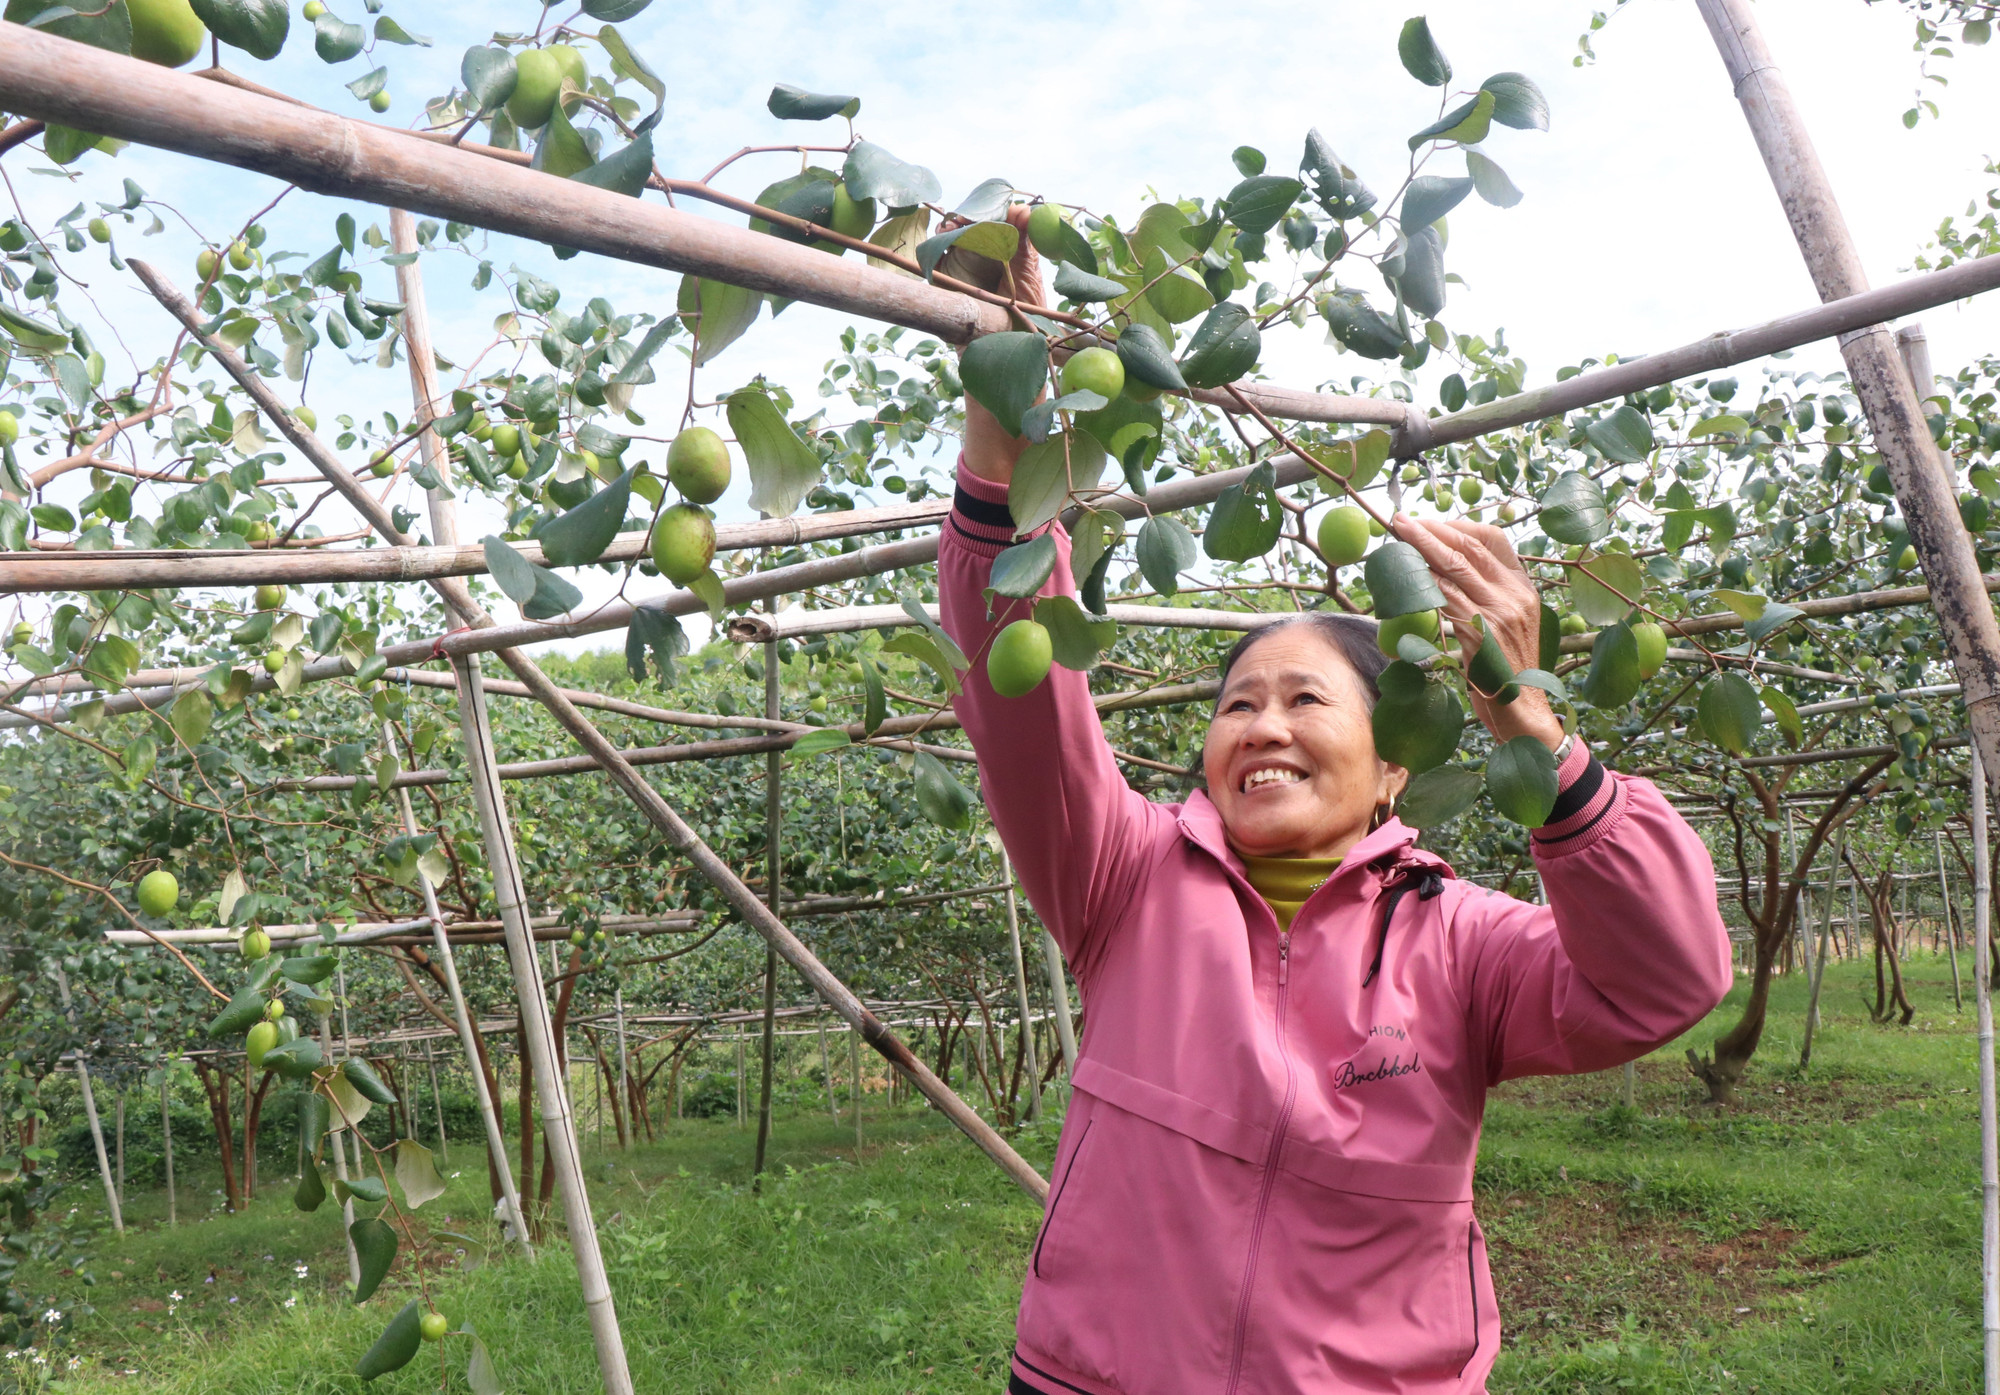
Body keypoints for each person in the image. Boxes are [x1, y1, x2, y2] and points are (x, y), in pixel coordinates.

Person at [936, 211, 1732, 1395]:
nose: (1262, 726)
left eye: (1304, 699)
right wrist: (1004, 387)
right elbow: (1018, 686)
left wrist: (1533, 728)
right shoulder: (1123, 881)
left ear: (1394, 760)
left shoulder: (1459, 943)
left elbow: (1663, 981)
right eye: (1237, 704)